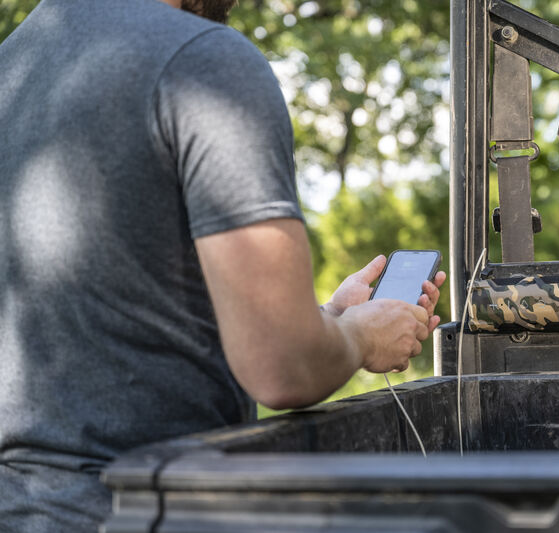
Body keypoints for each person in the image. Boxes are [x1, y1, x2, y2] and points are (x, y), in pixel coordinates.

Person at [0, 0, 445, 531]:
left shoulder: (14, 62)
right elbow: (281, 368)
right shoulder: (204, 61)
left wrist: (327, 317)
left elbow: (116, 328)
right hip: (142, 512)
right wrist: (363, 337)